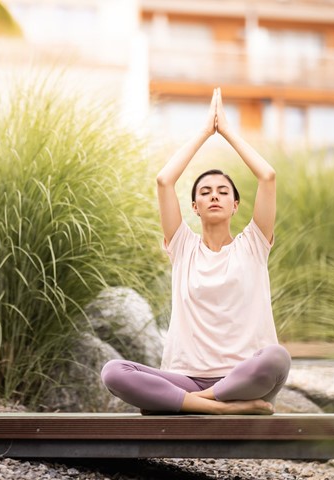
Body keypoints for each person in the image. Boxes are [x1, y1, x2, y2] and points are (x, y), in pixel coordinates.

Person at [101, 87, 291, 415]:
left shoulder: (253, 245)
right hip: (186, 379)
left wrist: (227, 131)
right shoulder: (183, 246)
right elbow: (164, 181)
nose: (214, 196)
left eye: (222, 191)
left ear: (235, 205)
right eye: (205, 192)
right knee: (113, 372)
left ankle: (191, 404)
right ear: (195, 206)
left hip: (244, 379)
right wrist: (205, 132)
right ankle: (220, 407)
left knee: (277, 358)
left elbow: (268, 176)